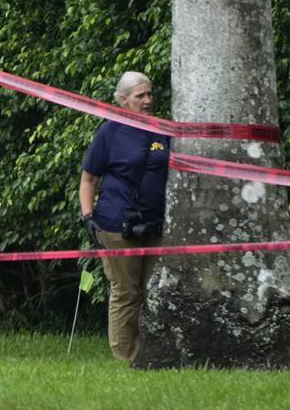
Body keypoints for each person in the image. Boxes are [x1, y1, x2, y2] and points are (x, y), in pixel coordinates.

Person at [78, 71, 170, 361]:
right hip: (118, 225)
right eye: (140, 96)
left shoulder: (162, 128)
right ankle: (125, 357)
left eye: (149, 94)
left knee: (152, 292)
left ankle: (149, 354)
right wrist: (87, 216)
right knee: (127, 292)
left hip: (155, 224)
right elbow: (88, 179)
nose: (147, 100)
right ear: (122, 100)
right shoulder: (110, 131)